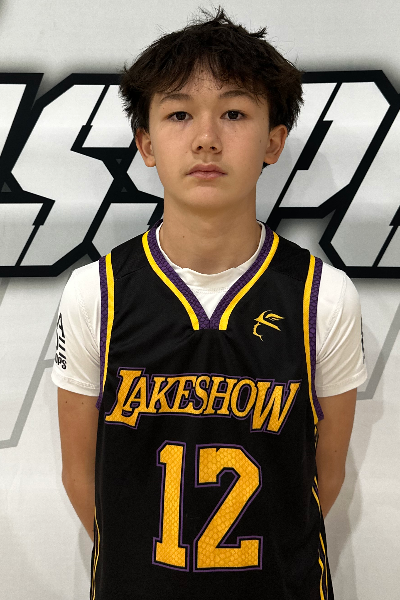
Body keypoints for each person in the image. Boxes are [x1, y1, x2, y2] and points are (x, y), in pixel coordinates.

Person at [52, 6, 367, 599]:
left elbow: (321, 476)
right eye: (179, 114)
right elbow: (79, 472)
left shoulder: (323, 296)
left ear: (274, 140)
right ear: (146, 143)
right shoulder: (96, 292)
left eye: (234, 113)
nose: (206, 138)